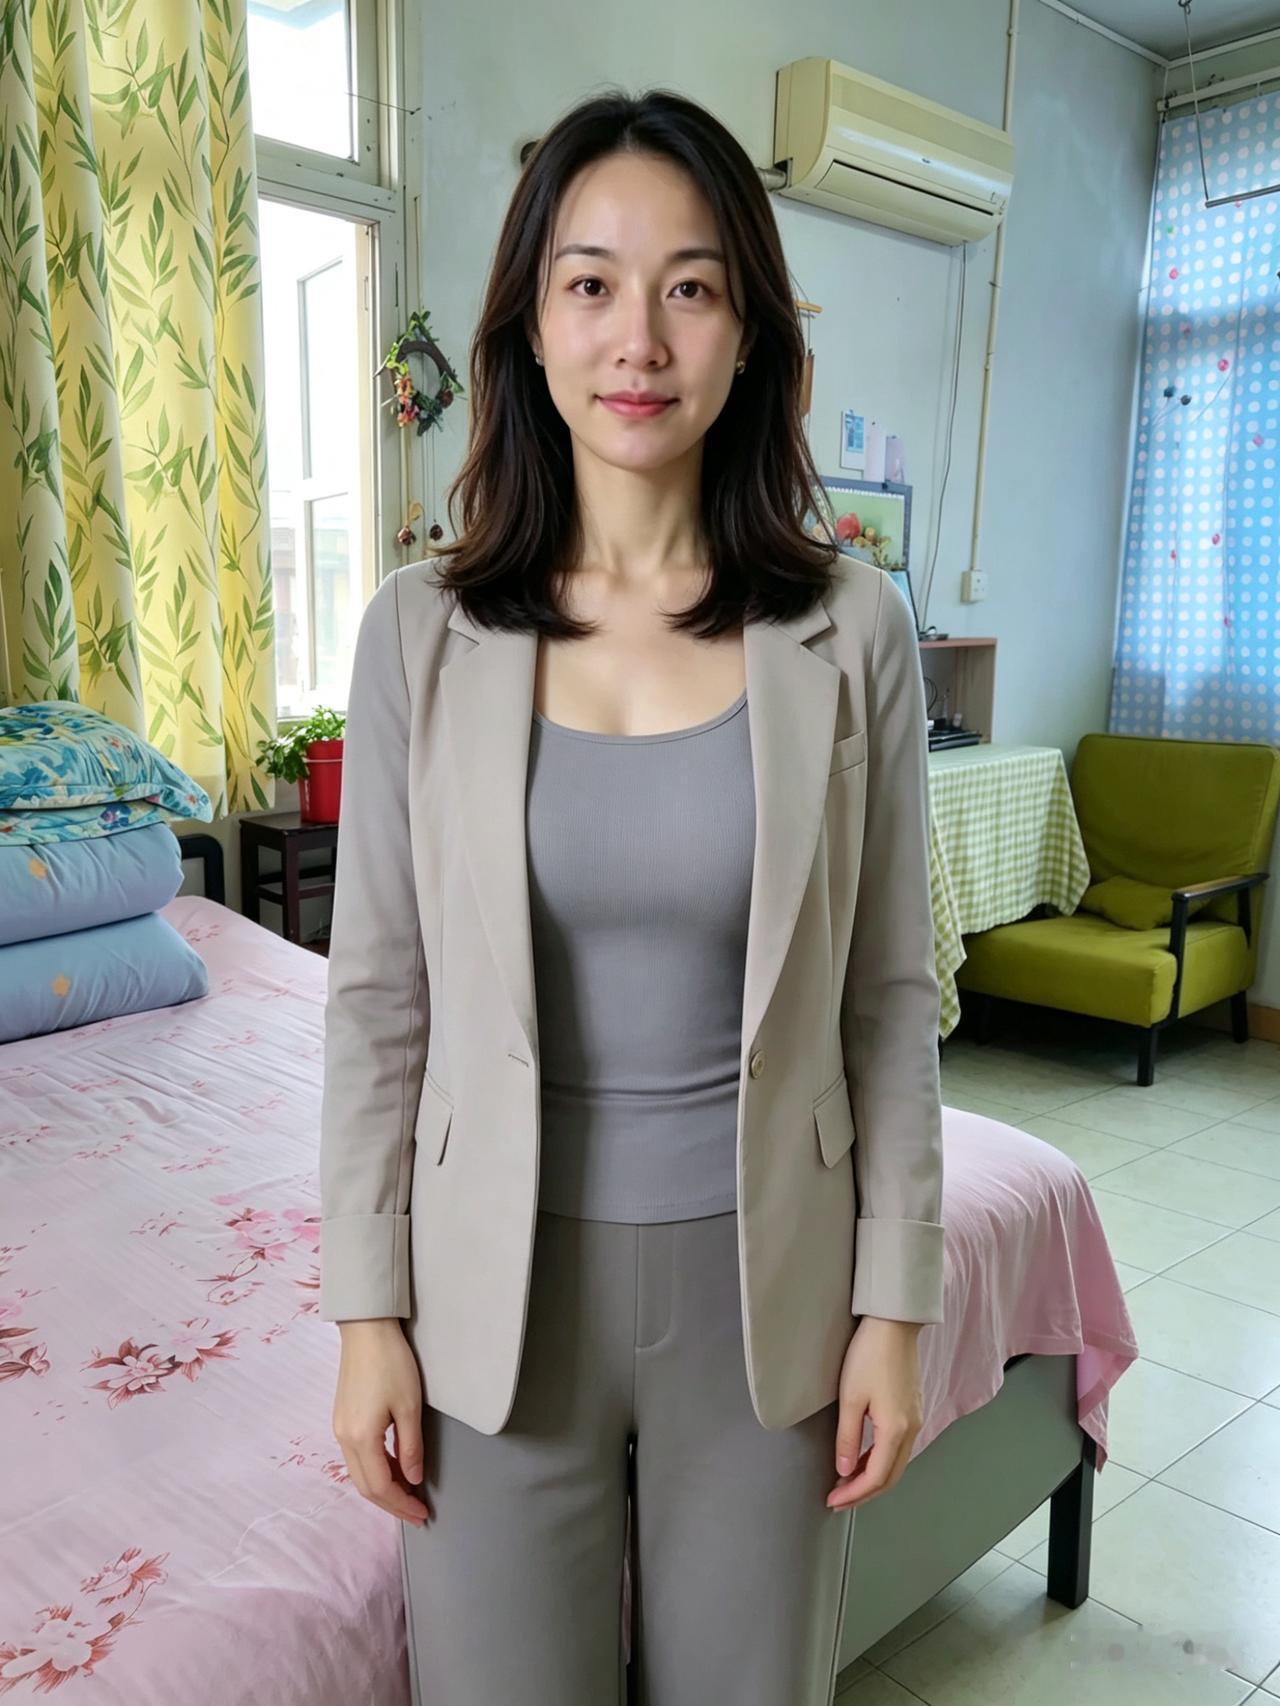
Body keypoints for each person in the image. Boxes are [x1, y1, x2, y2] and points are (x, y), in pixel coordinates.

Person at [318, 84, 945, 1706]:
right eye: (591, 282)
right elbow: (378, 999)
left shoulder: (852, 630)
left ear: (750, 332)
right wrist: (367, 1310)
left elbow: (889, 1000)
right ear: (530, 325)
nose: (639, 340)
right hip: (492, 1301)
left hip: (770, 1294)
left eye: (691, 287)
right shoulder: (419, 634)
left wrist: (894, 1308)